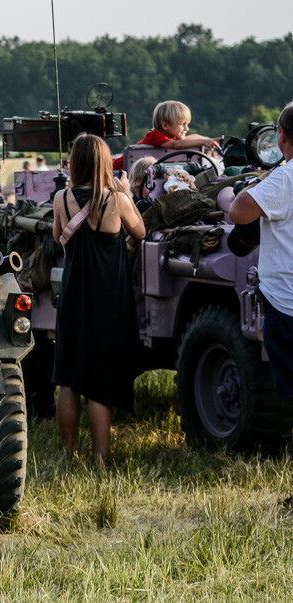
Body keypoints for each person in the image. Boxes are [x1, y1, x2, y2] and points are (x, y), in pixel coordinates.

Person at [51, 134, 145, 466]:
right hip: (108, 298)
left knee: (68, 377)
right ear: (105, 163)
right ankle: (102, 457)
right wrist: (126, 194)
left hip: (74, 294)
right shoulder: (116, 201)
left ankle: (68, 453)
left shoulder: (61, 198)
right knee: (99, 380)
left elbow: (56, 235)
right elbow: (140, 232)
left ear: (74, 163)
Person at [231, 102, 293, 405]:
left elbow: (238, 212)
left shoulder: (284, 179)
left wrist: (260, 180)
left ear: (281, 136)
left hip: (286, 303)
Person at [139, 100, 222, 151]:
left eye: (187, 124)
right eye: (183, 124)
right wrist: (203, 142)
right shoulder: (155, 136)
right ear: (165, 125)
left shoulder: (170, 137)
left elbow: (189, 138)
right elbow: (175, 145)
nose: (187, 128)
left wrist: (204, 139)